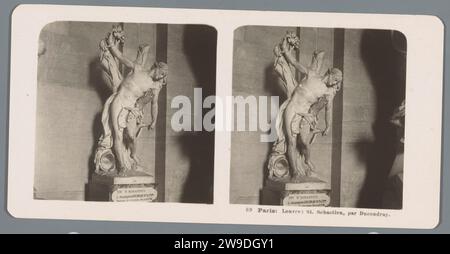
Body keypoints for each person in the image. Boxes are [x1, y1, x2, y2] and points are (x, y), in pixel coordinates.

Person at [105, 32, 168, 173]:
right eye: (162, 72)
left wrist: (154, 121)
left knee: (131, 136)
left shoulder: (154, 87)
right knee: (117, 134)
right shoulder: (137, 68)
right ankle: (121, 166)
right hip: (119, 100)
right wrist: (110, 44)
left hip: (132, 109)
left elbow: (154, 104)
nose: (162, 76)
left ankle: (133, 154)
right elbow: (120, 57)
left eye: (164, 75)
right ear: (156, 67)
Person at [279, 40, 342, 178]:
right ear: (330, 73)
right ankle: (295, 171)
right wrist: (285, 49)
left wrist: (328, 126)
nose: (335, 83)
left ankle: (307, 159)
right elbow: (295, 63)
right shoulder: (312, 74)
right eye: (336, 79)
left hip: (306, 115)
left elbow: (328, 110)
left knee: (305, 143)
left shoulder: (327, 92)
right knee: (291, 141)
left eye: (337, 82)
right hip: (293, 108)